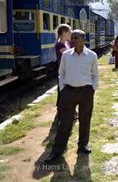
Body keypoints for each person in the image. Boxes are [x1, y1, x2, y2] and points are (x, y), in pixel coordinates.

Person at [45, 30, 98, 163]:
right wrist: (63, 89)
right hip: (68, 92)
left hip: (86, 92)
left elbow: (95, 74)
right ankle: (57, 151)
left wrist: (93, 89)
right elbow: (61, 73)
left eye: (76, 38)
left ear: (83, 40)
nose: (72, 40)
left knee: (85, 119)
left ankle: (83, 145)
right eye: (72, 38)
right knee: (64, 122)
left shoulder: (92, 56)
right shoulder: (66, 55)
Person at [55, 24, 72, 107]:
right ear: (64, 33)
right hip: (63, 70)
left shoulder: (67, 44)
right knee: (62, 90)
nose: (71, 34)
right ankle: (60, 109)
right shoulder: (59, 45)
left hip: (69, 70)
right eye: (69, 32)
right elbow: (69, 55)